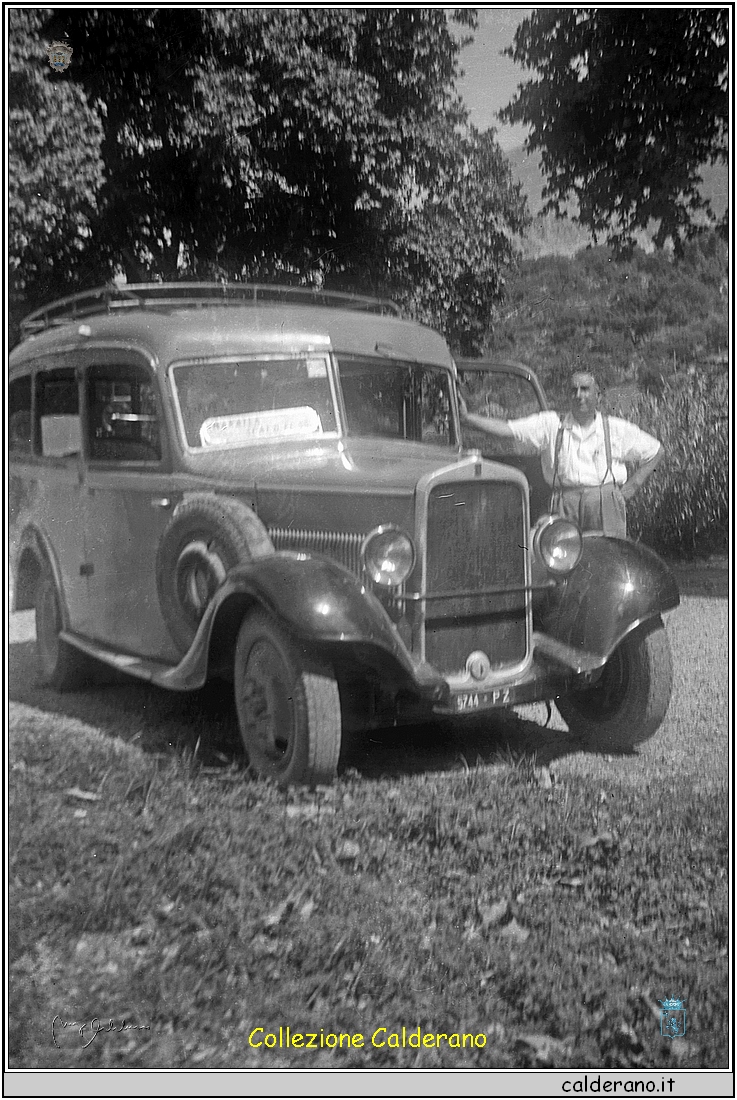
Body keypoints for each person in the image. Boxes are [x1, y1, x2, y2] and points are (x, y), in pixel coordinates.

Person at [458, 371, 663, 537]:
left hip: (604, 504)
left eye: (585, 389)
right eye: (574, 390)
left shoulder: (616, 428)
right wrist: (467, 418)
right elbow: (507, 429)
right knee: (560, 566)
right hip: (564, 504)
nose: (579, 395)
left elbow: (655, 451)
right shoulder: (551, 424)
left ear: (598, 396)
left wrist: (629, 489)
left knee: (608, 566)